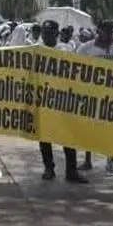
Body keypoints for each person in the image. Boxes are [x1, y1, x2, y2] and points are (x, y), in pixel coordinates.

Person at [76, 19, 113, 174]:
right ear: (98, 31)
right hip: (92, 95)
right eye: (105, 30)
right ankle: (87, 160)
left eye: (111, 31)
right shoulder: (85, 48)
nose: (108, 34)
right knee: (90, 128)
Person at [36, 19, 87, 183]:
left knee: (68, 137)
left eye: (50, 33)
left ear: (57, 34)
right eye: (44, 33)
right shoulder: (36, 50)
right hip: (43, 99)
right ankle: (49, 168)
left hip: (63, 100)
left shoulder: (66, 49)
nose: (46, 36)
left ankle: (71, 171)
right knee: (44, 137)